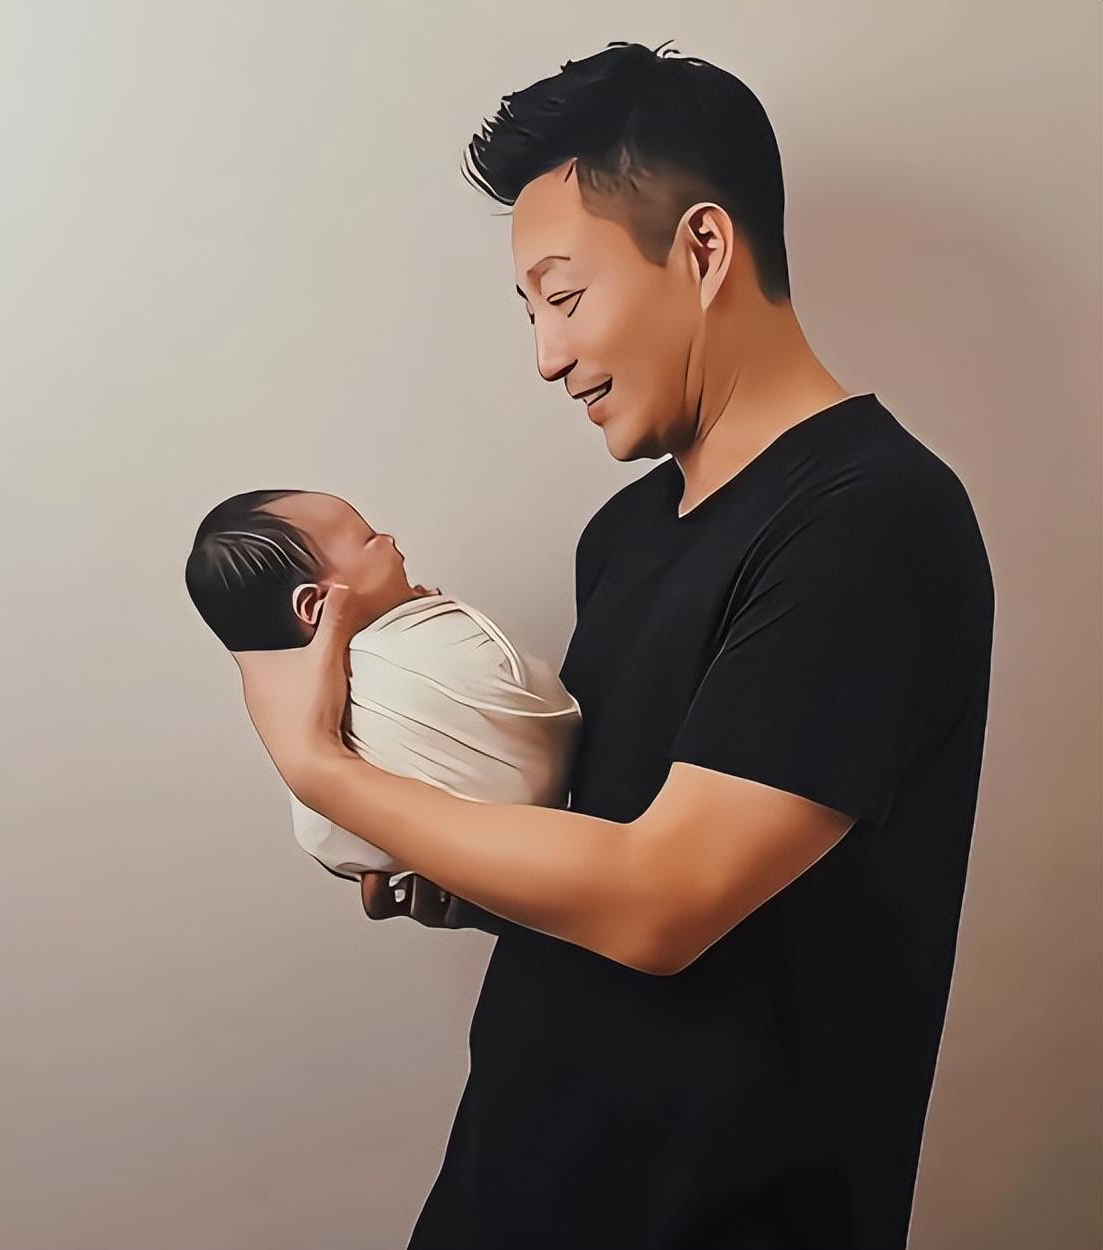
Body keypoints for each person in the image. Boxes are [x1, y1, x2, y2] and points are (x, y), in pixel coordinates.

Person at [230, 39, 995, 1250]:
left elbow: (662, 902)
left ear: (704, 249)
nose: (546, 354)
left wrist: (318, 763)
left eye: (566, 296)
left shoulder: (874, 520)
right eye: (531, 309)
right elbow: (619, 850)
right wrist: (469, 878)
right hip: (507, 1188)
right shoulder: (626, 534)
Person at [183, 488, 582, 905]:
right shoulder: (381, 668)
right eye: (369, 539)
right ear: (315, 603)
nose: (390, 540)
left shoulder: (302, 718)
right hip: (545, 836)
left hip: (520, 851)